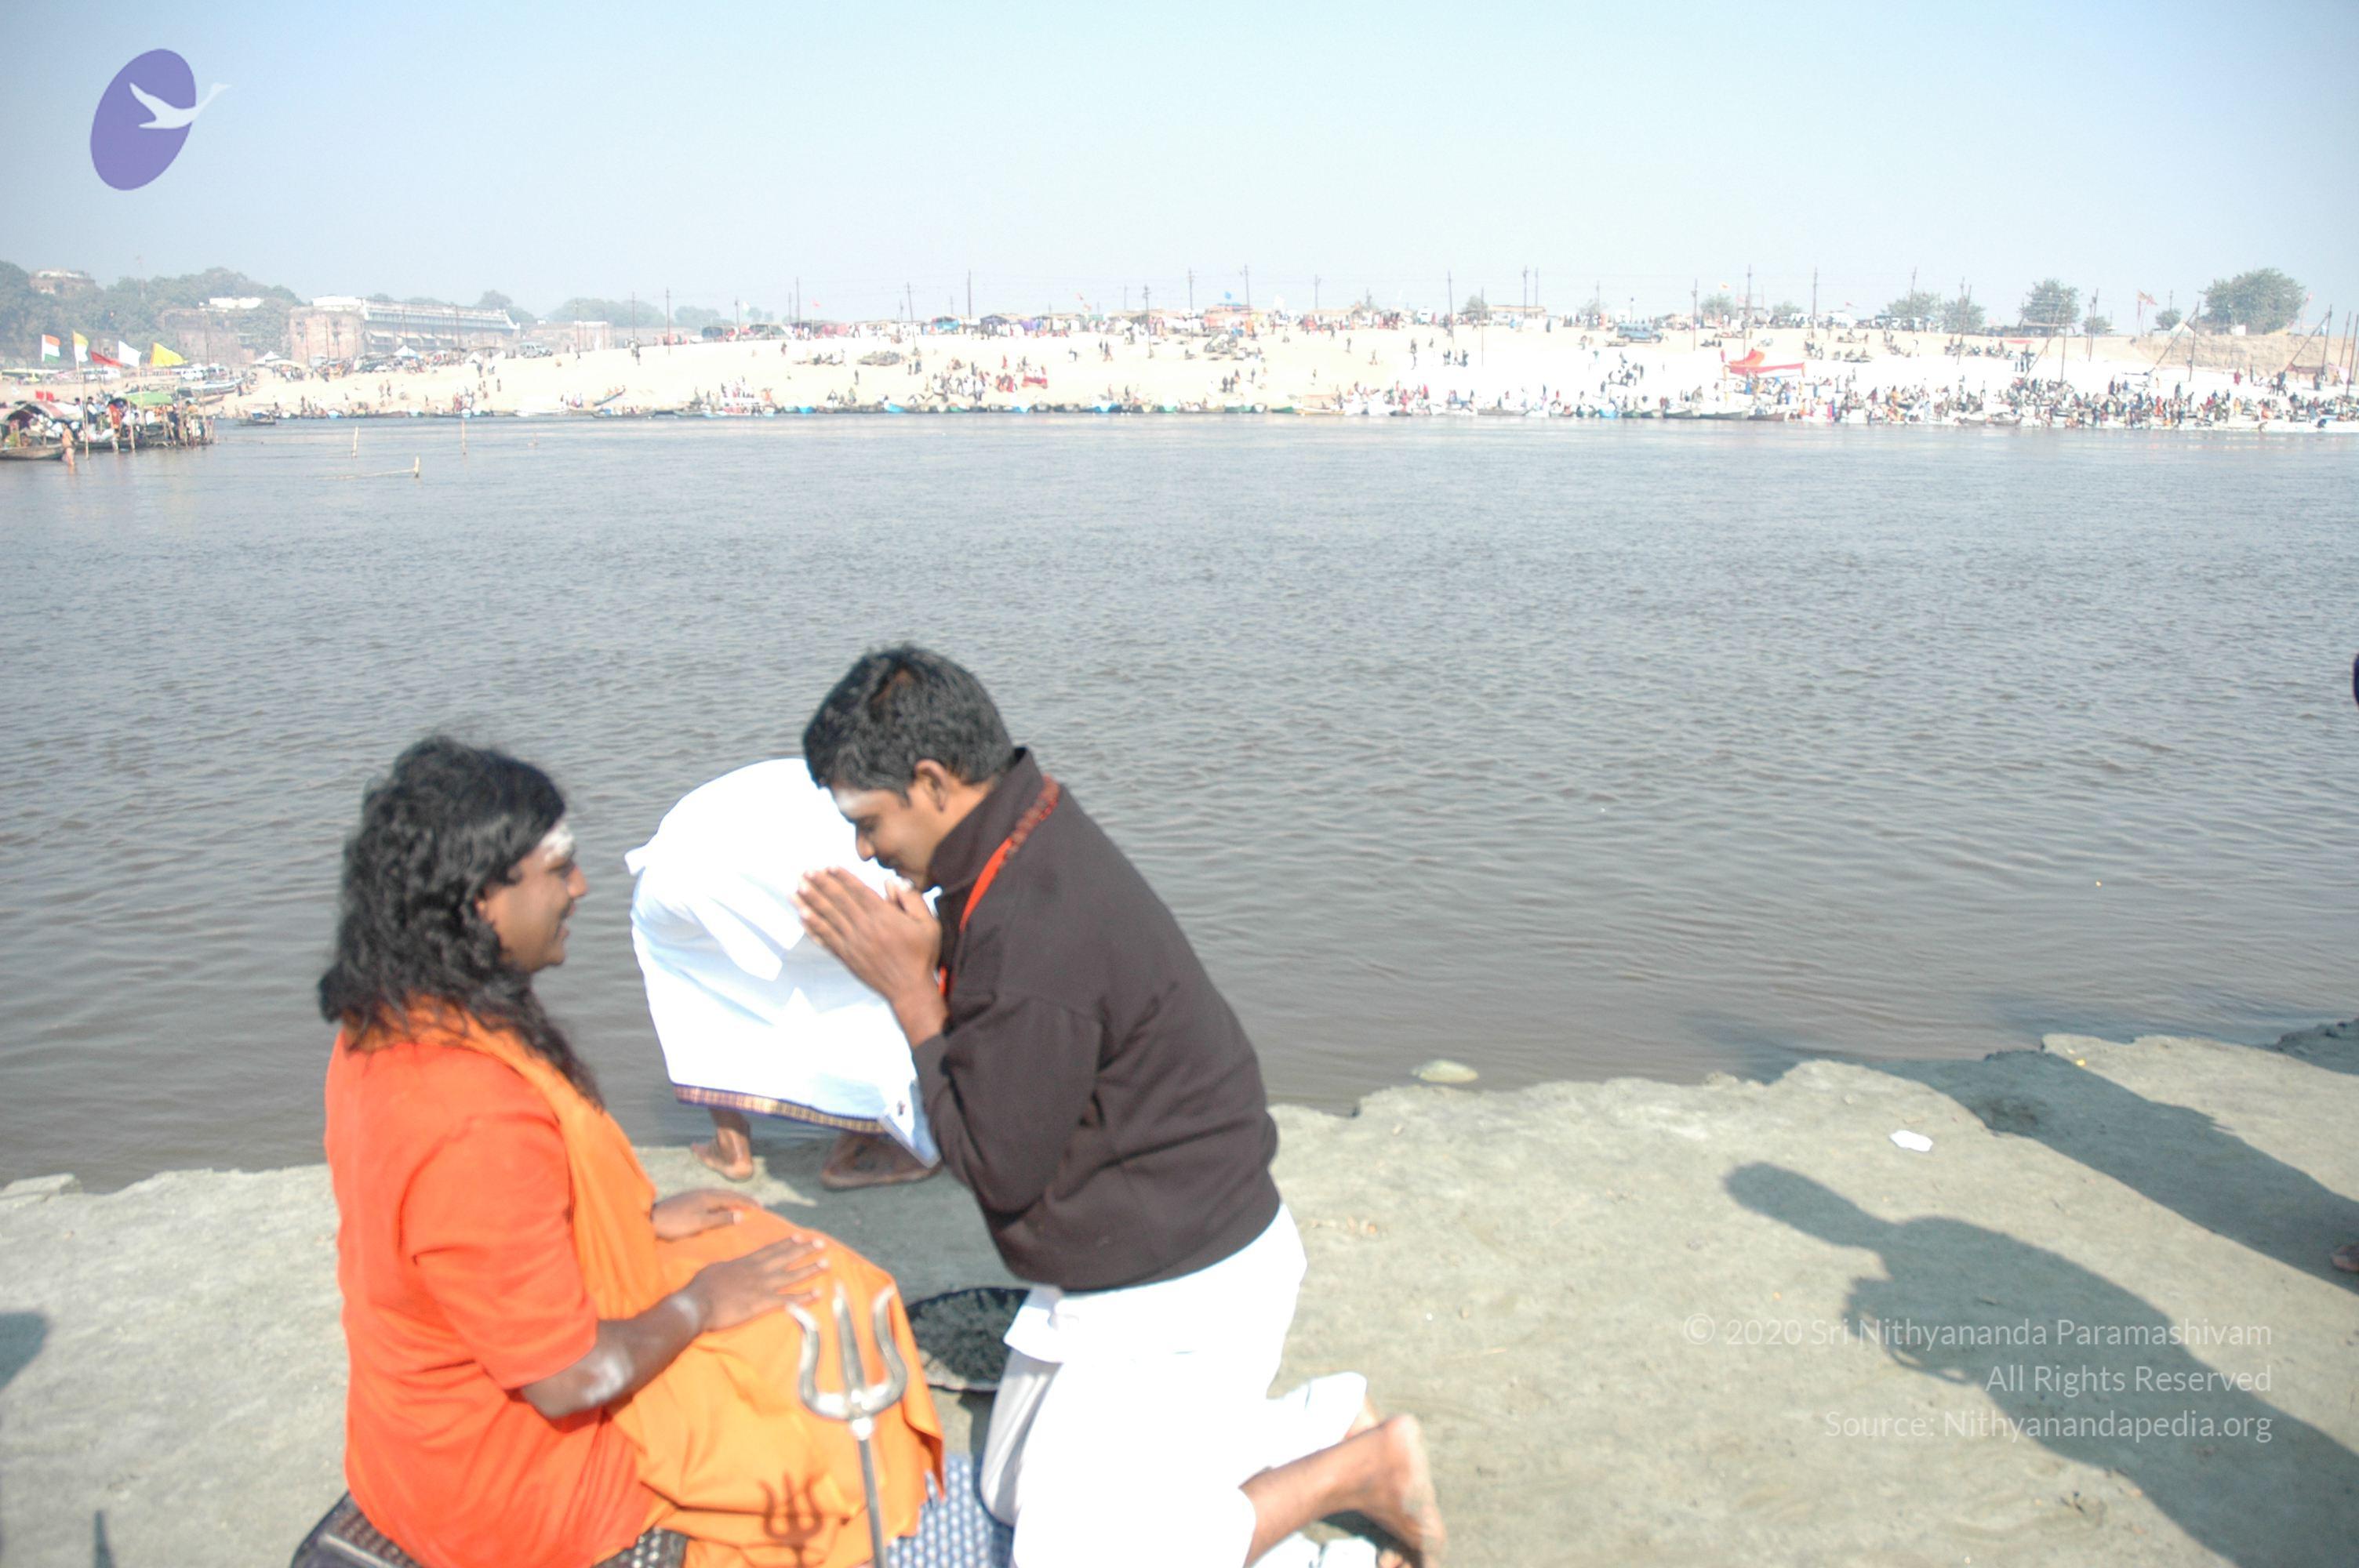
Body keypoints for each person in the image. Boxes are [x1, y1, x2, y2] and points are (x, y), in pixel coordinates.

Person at [791, 648, 1443, 1567]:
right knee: (1008, 1490)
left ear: (933, 782)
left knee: (1068, 1557)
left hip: (1182, 1279)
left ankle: (1351, 1478)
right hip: (1128, 1251)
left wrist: (908, 993)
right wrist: (930, 970)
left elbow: (997, 1167)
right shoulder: (1022, 834)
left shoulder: (1032, 921)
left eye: (867, 820)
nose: (863, 849)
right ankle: (1320, 1421)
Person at [318, 738, 941, 1568]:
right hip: (516, 1483)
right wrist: (699, 1305)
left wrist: (626, 1218)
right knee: (826, 1344)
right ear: (479, 901)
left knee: (804, 1262)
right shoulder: (469, 1115)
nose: (580, 886)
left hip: (422, 1435)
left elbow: (481, 1241)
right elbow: (567, 1379)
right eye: (557, 868)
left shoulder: (386, 1024)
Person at [626, 757, 940, 1189]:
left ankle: (731, 1147)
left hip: (667, 882)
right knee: (876, 983)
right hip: (749, 871)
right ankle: (859, 1147)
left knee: (695, 989)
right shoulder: (902, 825)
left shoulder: (859, 786)